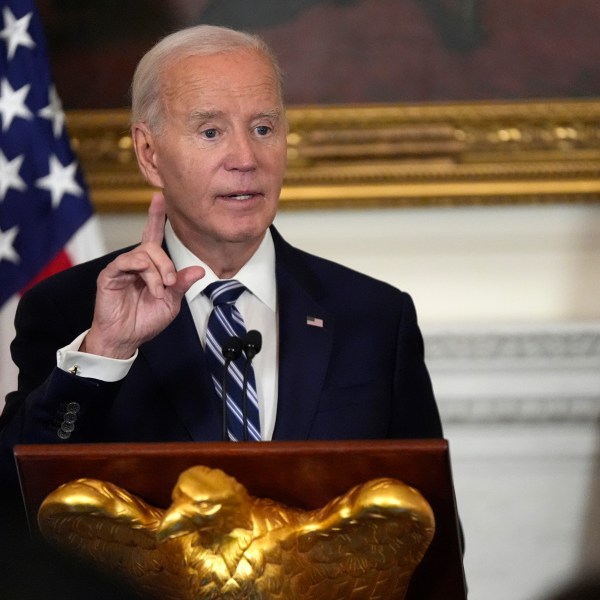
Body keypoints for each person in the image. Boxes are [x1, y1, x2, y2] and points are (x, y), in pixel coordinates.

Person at [0, 23, 442, 527]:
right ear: (149, 154)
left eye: (263, 129)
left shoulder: (375, 317)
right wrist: (105, 354)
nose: (246, 159)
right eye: (211, 132)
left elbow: (423, 527)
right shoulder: (70, 309)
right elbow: (13, 504)